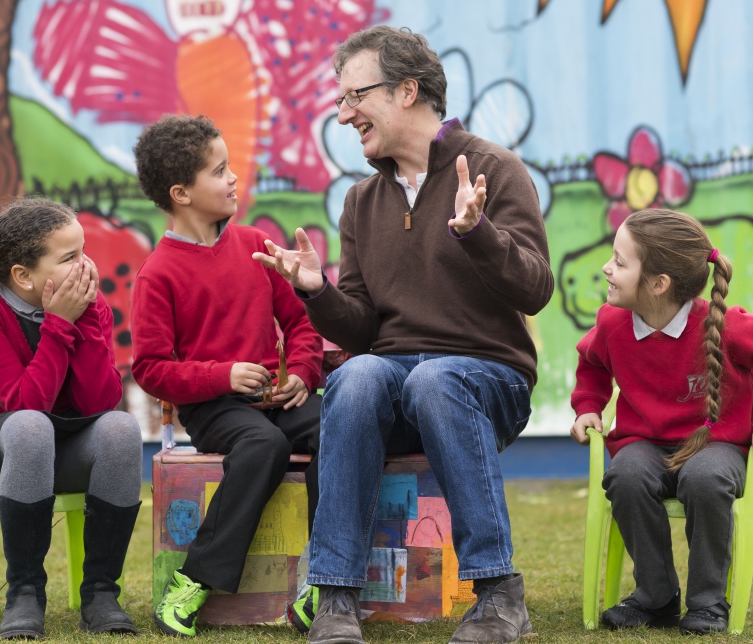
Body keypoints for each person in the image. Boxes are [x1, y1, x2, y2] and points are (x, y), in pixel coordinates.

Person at [253, 26, 553, 644]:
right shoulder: (361, 201)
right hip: (394, 377)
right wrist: (316, 292)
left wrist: (479, 234)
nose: (343, 114)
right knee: (358, 374)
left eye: (355, 96)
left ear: (408, 91)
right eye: (340, 100)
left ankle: (499, 595)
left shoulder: (495, 169)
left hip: (484, 376)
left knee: (438, 377)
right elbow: (362, 328)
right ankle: (335, 596)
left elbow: (535, 289)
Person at [569, 209, 753, 635]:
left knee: (704, 478)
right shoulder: (612, 324)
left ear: (658, 284)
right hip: (644, 443)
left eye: (620, 262)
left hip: (716, 446)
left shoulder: (726, 325)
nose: (607, 268)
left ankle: (707, 603)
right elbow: (591, 362)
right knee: (625, 474)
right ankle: (656, 595)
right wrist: (588, 404)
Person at [0, 197, 144, 639]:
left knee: (121, 429)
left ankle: (100, 592)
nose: (85, 266)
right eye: (70, 257)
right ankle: (24, 592)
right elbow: (24, 403)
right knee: (30, 426)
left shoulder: (83, 302)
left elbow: (101, 400)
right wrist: (57, 325)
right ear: (22, 275)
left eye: (84, 251)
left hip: (62, 437)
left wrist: (86, 323)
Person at [129, 114, 324, 638]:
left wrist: (303, 372)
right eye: (219, 171)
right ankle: (192, 583)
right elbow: (150, 368)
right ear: (181, 193)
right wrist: (222, 376)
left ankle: (326, 580)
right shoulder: (157, 275)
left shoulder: (255, 243)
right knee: (263, 447)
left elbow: (302, 323)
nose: (234, 178)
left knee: (343, 425)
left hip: (276, 397)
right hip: (214, 408)